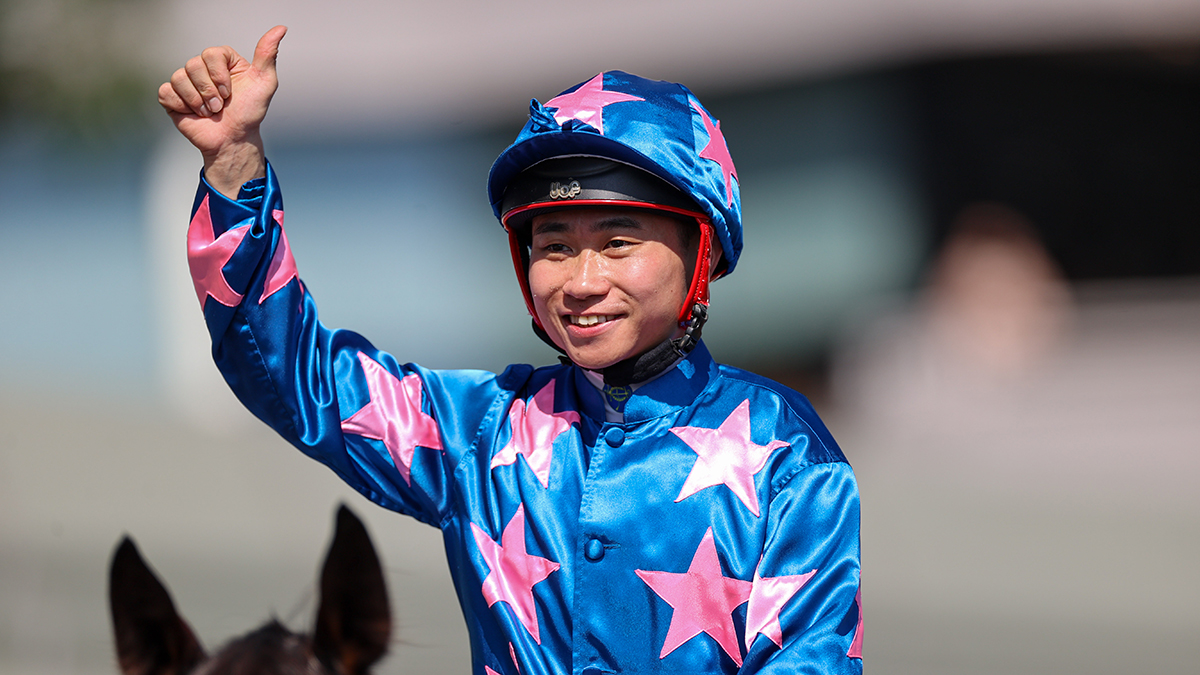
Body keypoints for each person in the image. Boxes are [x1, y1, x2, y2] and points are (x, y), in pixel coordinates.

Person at [160, 25, 862, 674]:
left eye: (618, 242)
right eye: (554, 246)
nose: (582, 282)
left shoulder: (786, 454)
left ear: (700, 253)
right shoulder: (482, 428)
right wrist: (233, 163)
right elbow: (286, 368)